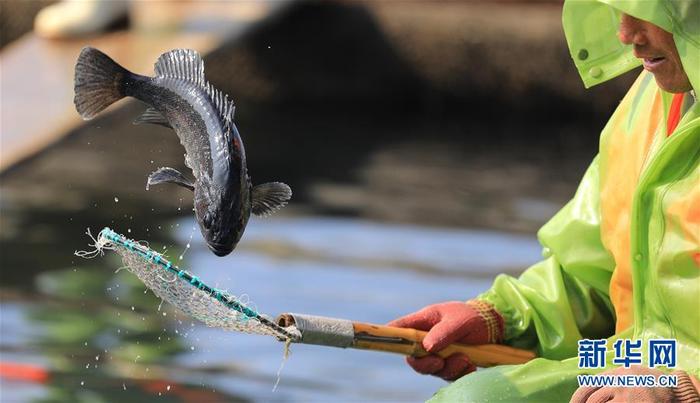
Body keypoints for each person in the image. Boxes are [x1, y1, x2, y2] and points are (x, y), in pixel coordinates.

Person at [389, 0, 699, 401]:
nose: (625, 35)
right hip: (638, 363)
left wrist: (685, 390)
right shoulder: (647, 105)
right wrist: (500, 318)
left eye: (655, 11)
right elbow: (590, 272)